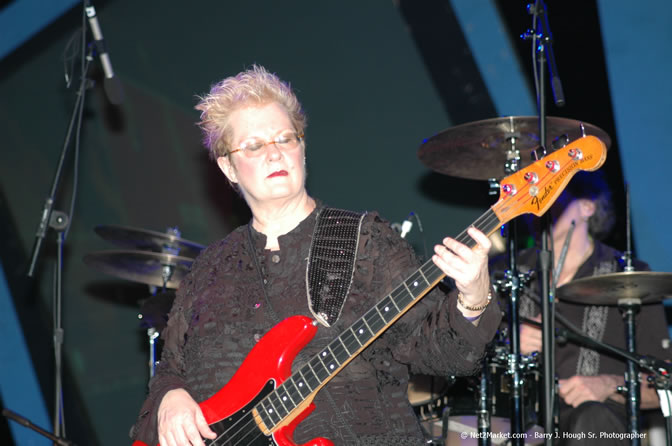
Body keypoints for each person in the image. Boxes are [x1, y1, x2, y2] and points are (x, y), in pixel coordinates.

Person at [129, 65, 502, 446]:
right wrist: (168, 399)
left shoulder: (365, 242)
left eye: (285, 139)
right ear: (228, 166)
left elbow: (443, 354)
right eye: (255, 146)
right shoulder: (208, 270)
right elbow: (171, 369)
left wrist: (474, 297)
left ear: (302, 148)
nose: (275, 153)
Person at [491, 170, 669, 445]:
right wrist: (506, 340)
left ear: (587, 206)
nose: (537, 206)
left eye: (551, 196)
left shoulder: (628, 275)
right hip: (513, 419)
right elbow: (459, 345)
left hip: (594, 424)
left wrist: (611, 385)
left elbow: (665, 380)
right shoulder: (504, 270)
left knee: (593, 420)